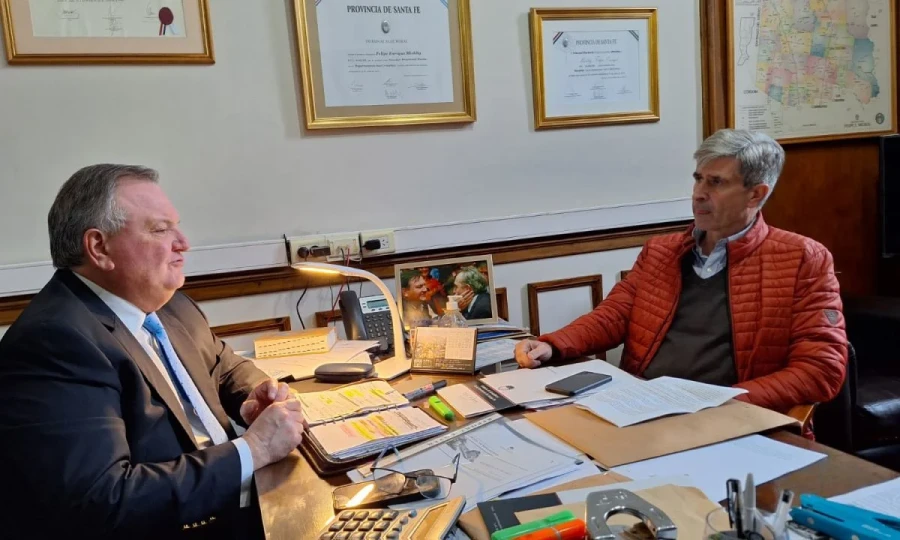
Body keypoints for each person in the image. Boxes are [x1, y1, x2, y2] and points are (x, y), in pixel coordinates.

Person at [0, 165, 307, 539]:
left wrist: (253, 397)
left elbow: (223, 366)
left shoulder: (168, 303)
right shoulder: (55, 341)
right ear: (99, 247)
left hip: (242, 502)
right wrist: (254, 449)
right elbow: (105, 499)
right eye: (161, 230)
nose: (183, 242)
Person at [515, 129, 848, 417]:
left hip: (730, 418)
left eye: (716, 182)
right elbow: (614, 316)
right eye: (698, 178)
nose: (699, 193)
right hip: (642, 407)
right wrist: (553, 345)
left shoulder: (802, 258)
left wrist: (724, 402)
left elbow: (822, 370)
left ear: (756, 193)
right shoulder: (662, 251)